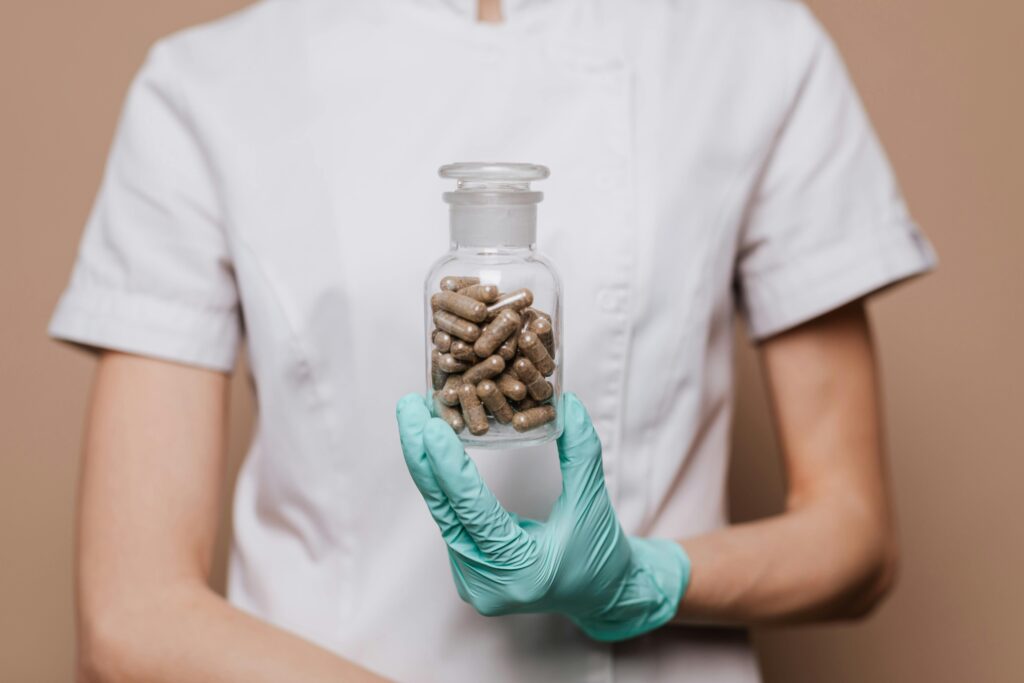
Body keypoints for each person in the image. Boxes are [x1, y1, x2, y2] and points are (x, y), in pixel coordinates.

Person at [50, 0, 936, 681]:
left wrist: (642, 576)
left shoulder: (751, 45)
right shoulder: (208, 82)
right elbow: (132, 612)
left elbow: (856, 538)